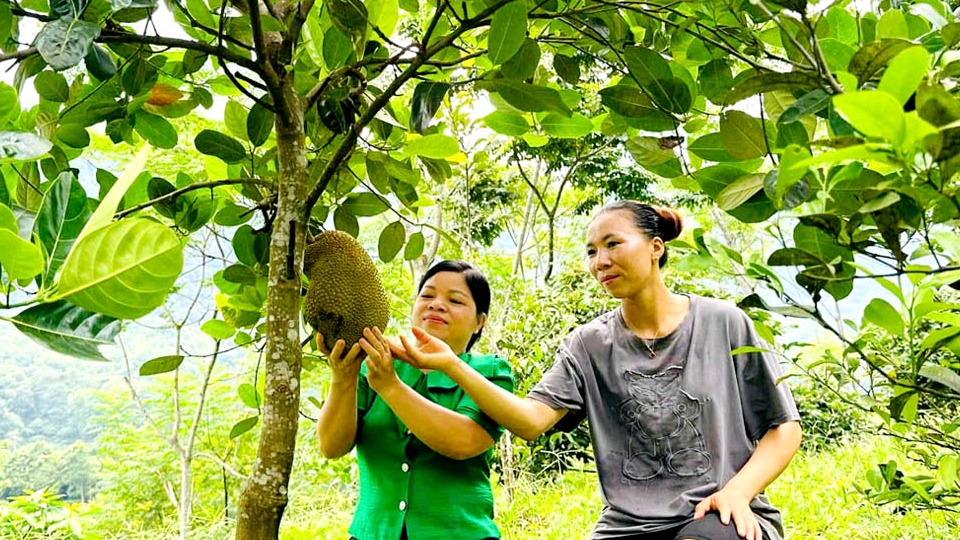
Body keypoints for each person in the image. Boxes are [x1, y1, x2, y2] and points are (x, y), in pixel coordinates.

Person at [391, 201, 802, 540]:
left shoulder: (723, 322)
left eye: (613, 244)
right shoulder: (589, 344)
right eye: (591, 252)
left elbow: (784, 428)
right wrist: (449, 363)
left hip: (717, 514)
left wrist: (738, 491)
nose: (600, 261)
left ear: (655, 247)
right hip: (627, 527)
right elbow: (530, 421)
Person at [316, 260, 513, 540]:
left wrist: (391, 388)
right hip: (372, 533)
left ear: (479, 322)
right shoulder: (373, 366)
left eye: (455, 300)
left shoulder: (490, 374)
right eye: (427, 295)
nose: (437, 305)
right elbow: (331, 446)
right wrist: (343, 376)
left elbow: (465, 441)